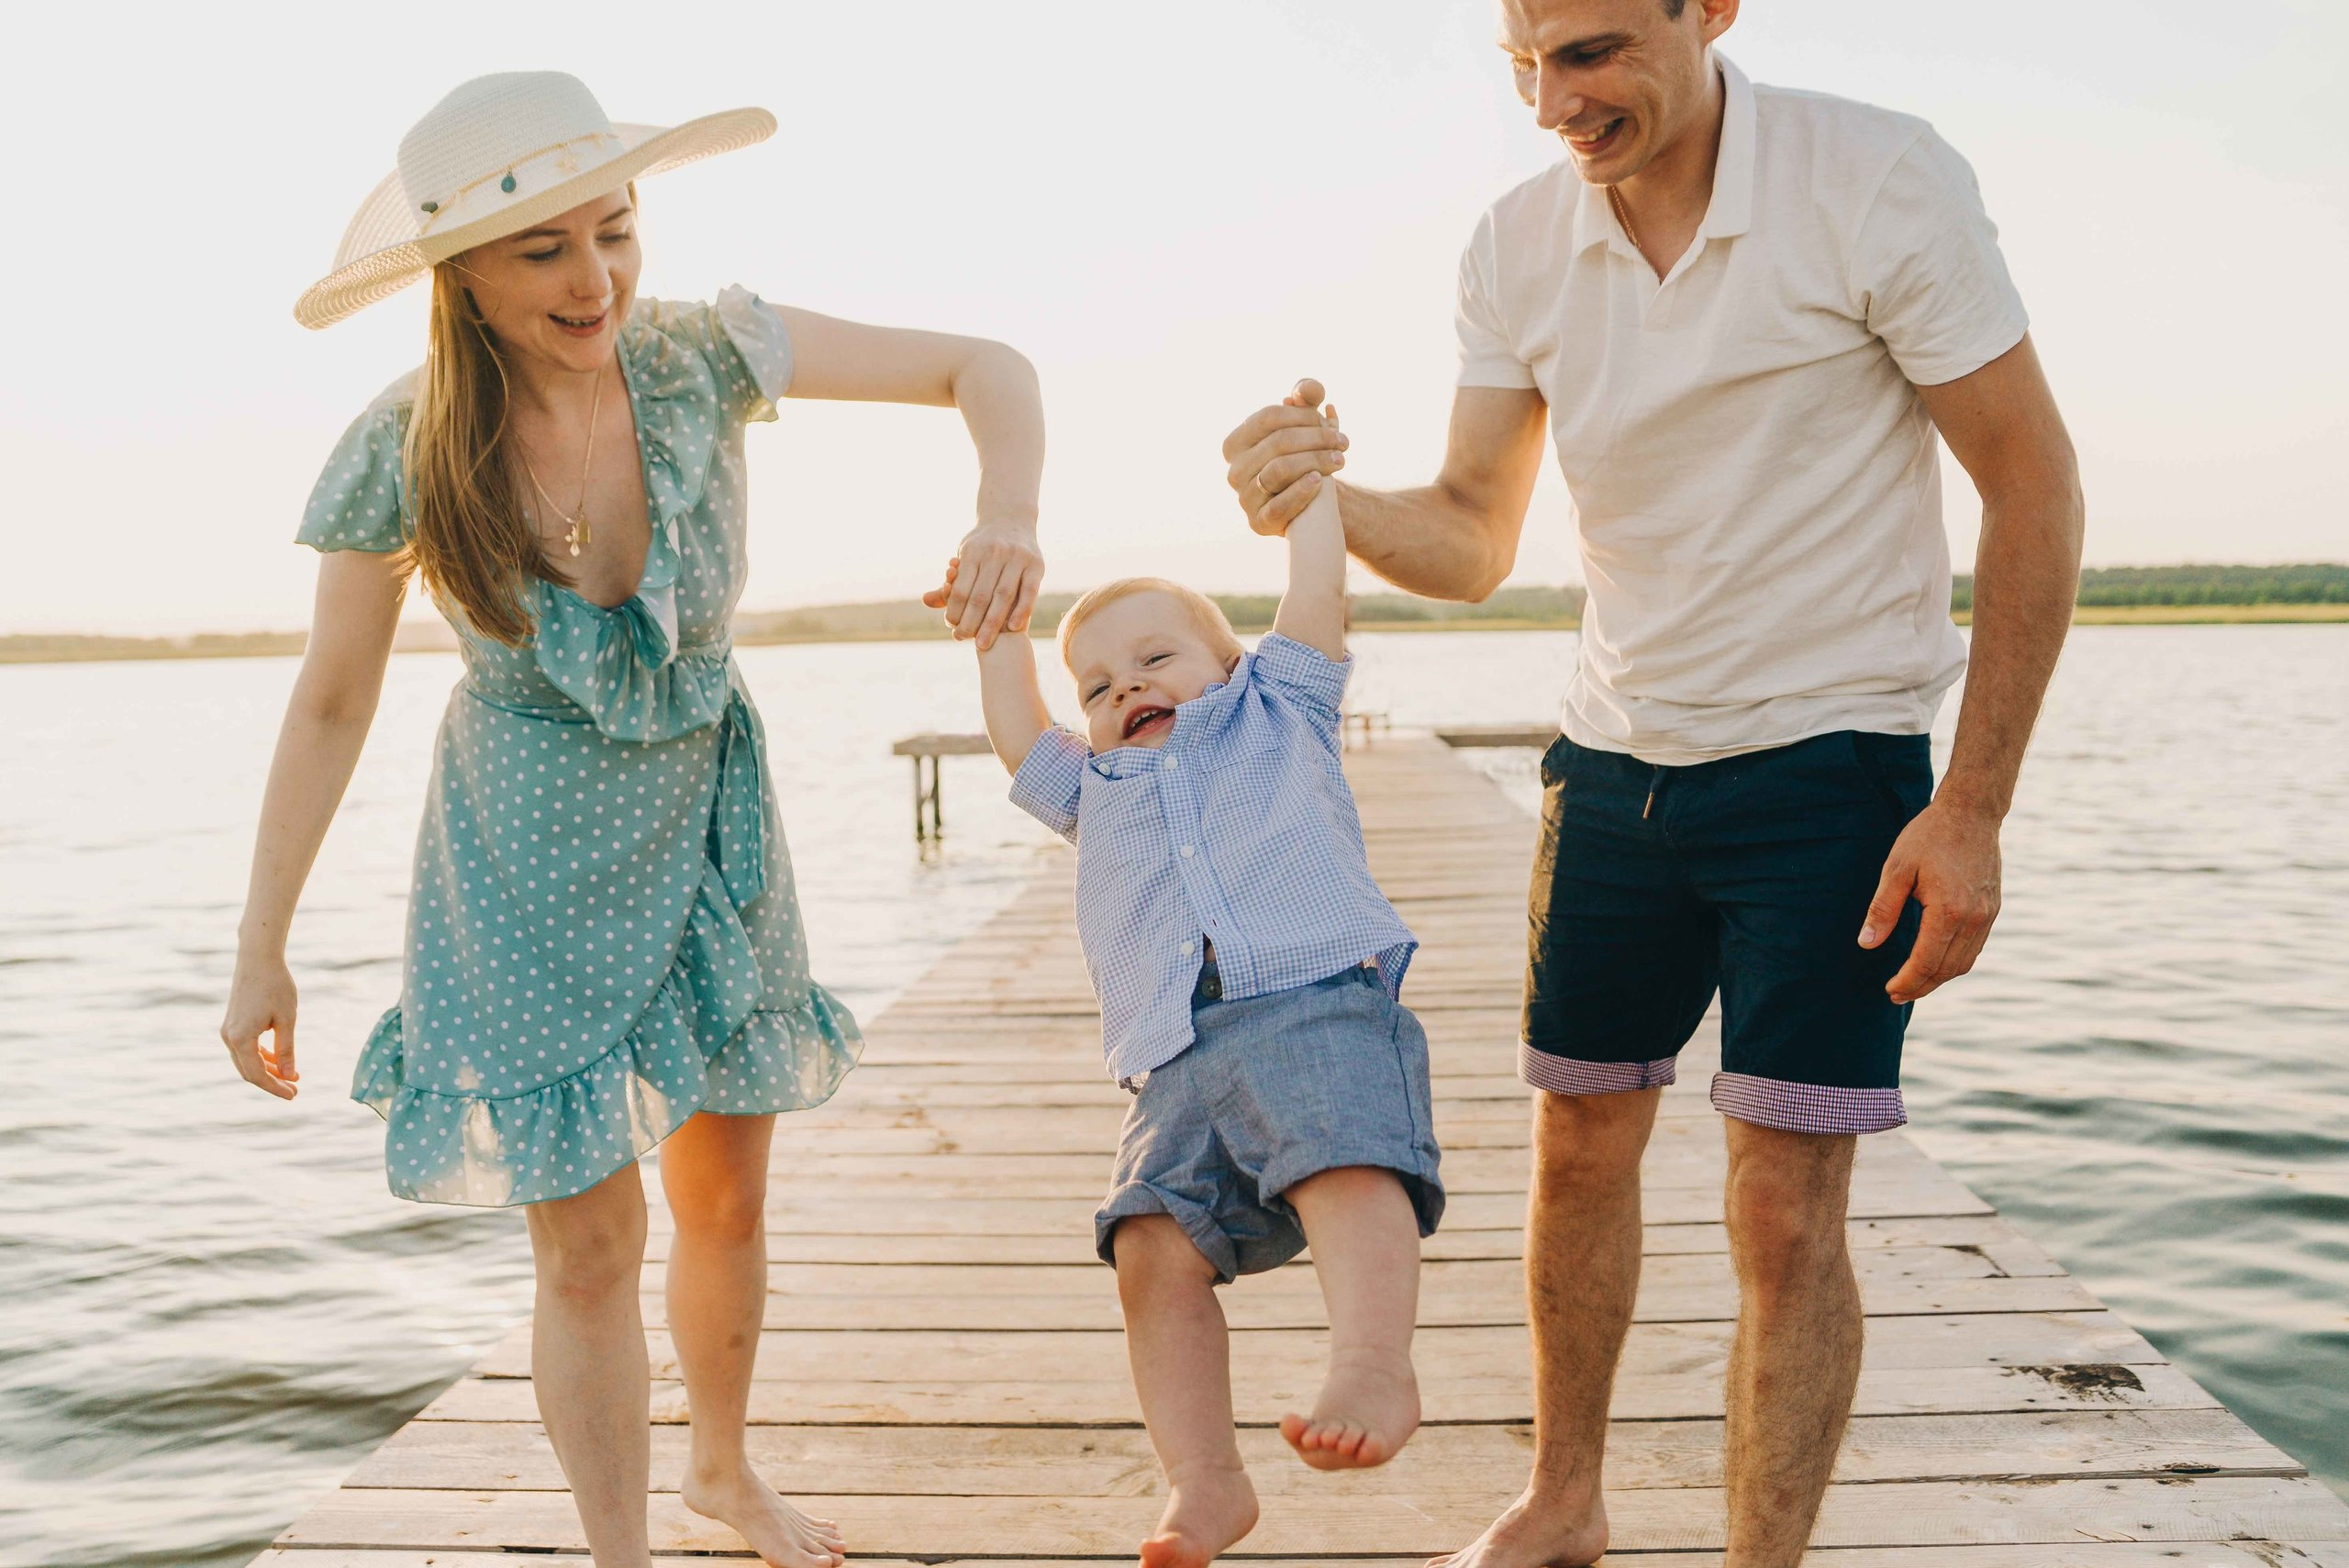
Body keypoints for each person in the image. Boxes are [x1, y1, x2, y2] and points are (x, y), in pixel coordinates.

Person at [1220, 4, 2085, 1564]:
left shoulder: (1877, 177)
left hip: (1834, 765)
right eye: (1527, 63)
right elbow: (1479, 537)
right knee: (1578, 1143)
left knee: (1781, 1202)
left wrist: (1974, 809)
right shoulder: (1516, 245)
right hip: (1615, 766)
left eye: (1599, 50)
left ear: (1713, 10)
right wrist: (1323, 501)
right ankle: (1564, 1499)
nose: (1557, 100)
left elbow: (2032, 482)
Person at [217, 72, 1044, 1568]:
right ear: (458, 272)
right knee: (587, 1242)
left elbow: (988, 364)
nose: (594, 277)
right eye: (543, 250)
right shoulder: (404, 441)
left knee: (724, 1193)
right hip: (517, 852)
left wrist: (1009, 512)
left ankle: (722, 1471)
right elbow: (332, 700)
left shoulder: (703, 353)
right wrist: (259, 947)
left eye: (615, 227)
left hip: (710, 820)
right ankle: (621, 1551)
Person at [936, 387, 1441, 1568]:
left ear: (1230, 661)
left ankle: (1372, 1361)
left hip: (1313, 995)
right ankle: (1203, 1478)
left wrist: (1310, 496)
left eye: (1155, 658)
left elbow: (1316, 593)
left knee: (1343, 1160)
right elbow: (1018, 725)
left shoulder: (1281, 705)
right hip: (1169, 1058)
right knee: (1148, 1248)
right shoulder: (1091, 787)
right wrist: (997, 622)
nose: (1127, 689)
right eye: (1100, 686)